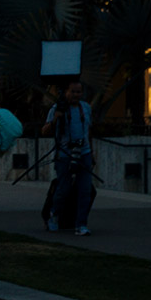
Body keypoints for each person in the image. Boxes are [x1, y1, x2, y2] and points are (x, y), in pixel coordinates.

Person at [40, 78, 95, 236]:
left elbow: (88, 131)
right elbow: (45, 131)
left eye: (79, 92)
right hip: (64, 154)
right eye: (73, 92)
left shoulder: (86, 108)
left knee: (85, 190)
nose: (76, 95)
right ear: (66, 93)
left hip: (83, 153)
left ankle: (81, 224)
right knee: (63, 189)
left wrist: (91, 152)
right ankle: (53, 216)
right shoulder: (57, 108)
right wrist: (56, 119)